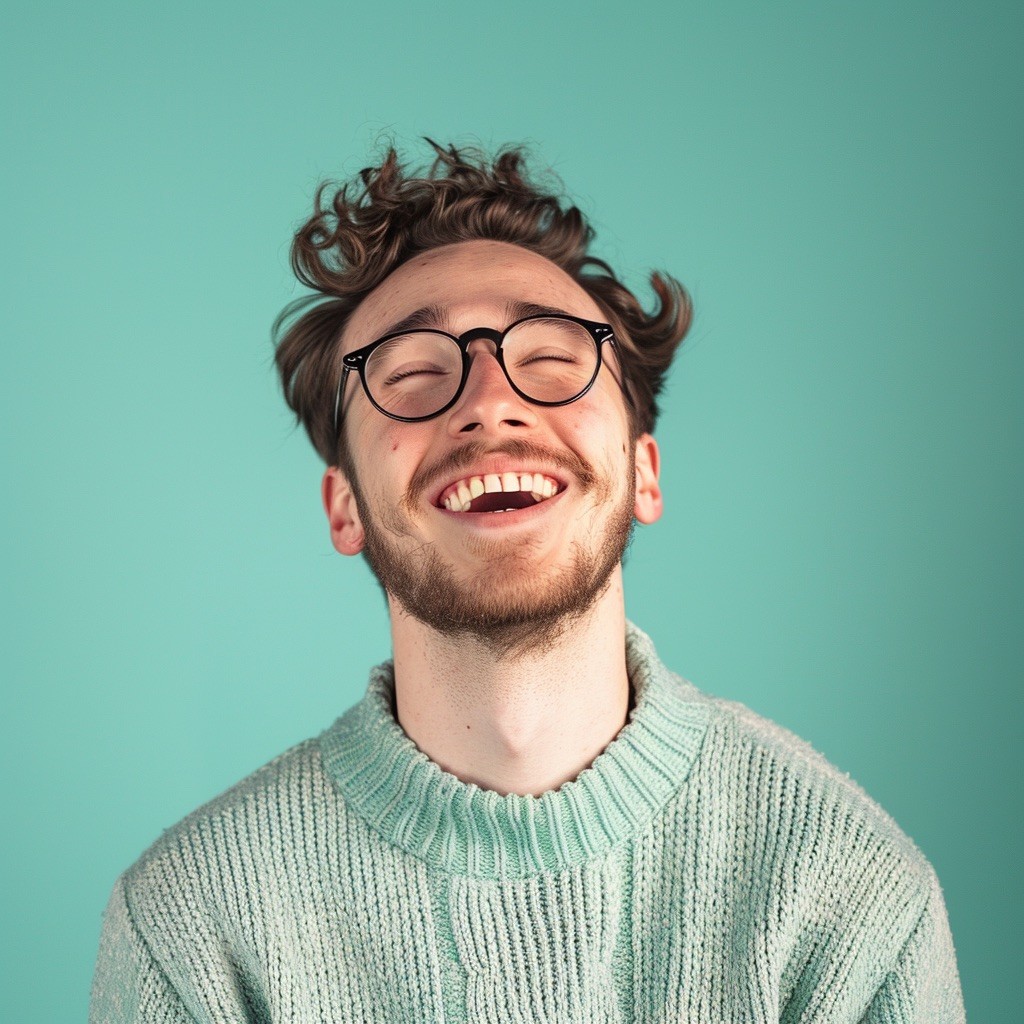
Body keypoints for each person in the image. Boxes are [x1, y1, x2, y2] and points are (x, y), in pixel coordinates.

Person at [90, 142, 965, 1022]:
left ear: (643, 471)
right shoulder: (193, 928)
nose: (488, 400)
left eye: (551, 359)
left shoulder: (849, 891)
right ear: (344, 505)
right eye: (415, 373)